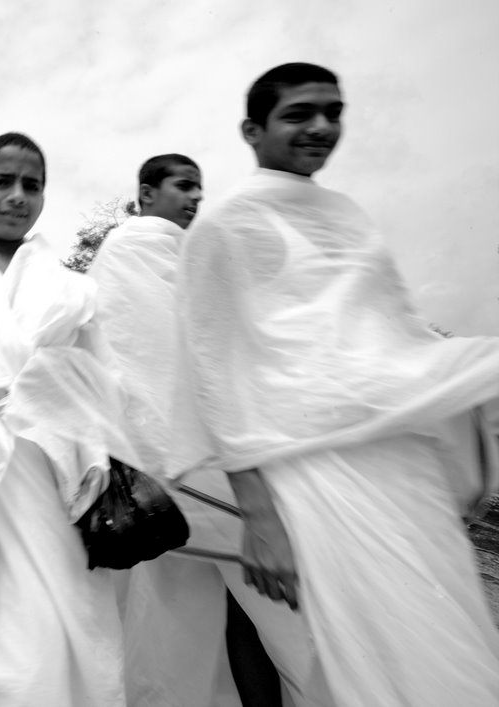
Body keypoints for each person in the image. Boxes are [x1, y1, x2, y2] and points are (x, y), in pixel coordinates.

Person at [170, 62, 499, 706]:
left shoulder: (347, 215)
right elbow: (213, 373)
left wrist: (460, 439)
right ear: (252, 129)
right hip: (314, 475)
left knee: (447, 631)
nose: (321, 126)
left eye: (333, 111)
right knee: (375, 650)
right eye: (298, 113)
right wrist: (259, 518)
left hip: (400, 468)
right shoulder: (225, 226)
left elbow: (397, 340)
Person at [0, 132, 157, 706]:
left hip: (62, 492)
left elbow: (105, 386)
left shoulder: (72, 290)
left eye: (32, 185)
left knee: (71, 646)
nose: (17, 196)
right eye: (1, 182)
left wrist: (94, 460)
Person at [90, 154, 302, 707]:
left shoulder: (180, 258)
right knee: (253, 601)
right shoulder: (136, 249)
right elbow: (155, 357)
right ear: (145, 193)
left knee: (212, 610)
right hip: (184, 470)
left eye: (199, 192)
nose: (193, 200)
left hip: (171, 475)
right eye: (183, 186)